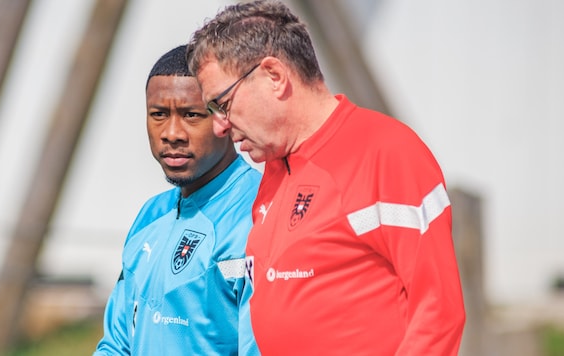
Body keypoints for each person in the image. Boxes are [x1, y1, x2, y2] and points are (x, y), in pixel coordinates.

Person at [186, 1, 466, 354]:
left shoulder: (385, 151)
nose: (219, 126)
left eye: (222, 104)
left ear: (274, 76)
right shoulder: (274, 171)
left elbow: (438, 312)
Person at [94, 45, 261, 355]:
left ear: (225, 117)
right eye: (159, 114)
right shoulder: (151, 214)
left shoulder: (259, 215)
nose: (172, 133)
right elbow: (117, 343)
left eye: (191, 115)